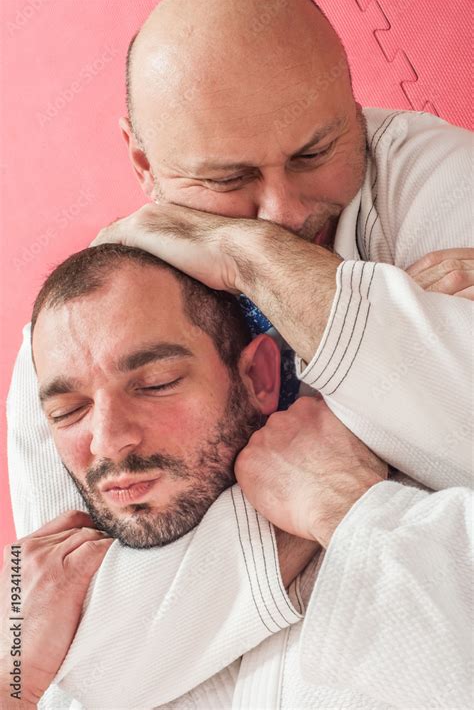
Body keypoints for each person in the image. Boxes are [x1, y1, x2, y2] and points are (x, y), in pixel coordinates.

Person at [6, 0, 473, 707]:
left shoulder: (428, 173)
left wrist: (245, 252)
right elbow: (75, 662)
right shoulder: (78, 332)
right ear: (143, 161)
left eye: (316, 152)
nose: (283, 213)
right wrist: (347, 469)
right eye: (227, 182)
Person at [3, 243, 468, 710]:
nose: (107, 441)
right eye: (68, 411)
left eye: (156, 384)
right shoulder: (35, 606)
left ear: (259, 378)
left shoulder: (424, 524)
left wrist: (377, 358)